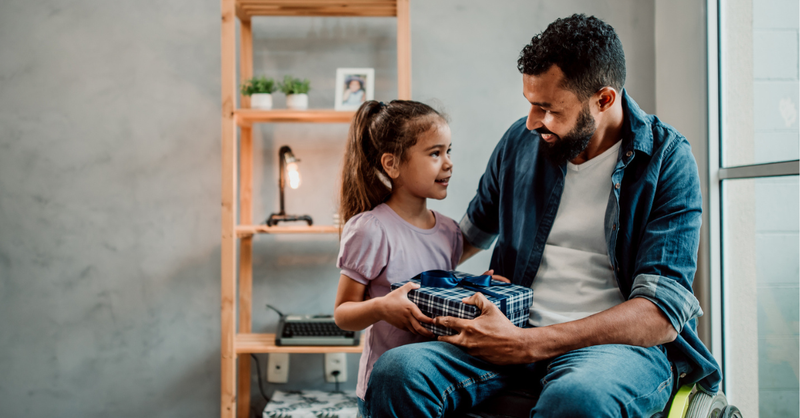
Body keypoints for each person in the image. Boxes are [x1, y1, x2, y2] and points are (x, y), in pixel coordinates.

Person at [362, 14, 722, 417]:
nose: (533, 122)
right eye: (530, 104)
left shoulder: (667, 160)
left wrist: (529, 343)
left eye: (548, 108)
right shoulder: (521, 141)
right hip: (509, 328)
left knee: (577, 401)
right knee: (397, 372)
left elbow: (660, 315)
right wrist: (381, 276)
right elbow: (458, 239)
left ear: (603, 100)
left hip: (612, 351)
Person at [333, 100, 462, 415]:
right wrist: (381, 308)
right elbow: (343, 314)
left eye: (448, 151)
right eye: (435, 153)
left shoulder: (450, 231)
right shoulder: (371, 230)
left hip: (432, 386)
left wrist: (476, 287)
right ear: (392, 164)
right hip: (385, 393)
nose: (448, 163)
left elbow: (442, 294)